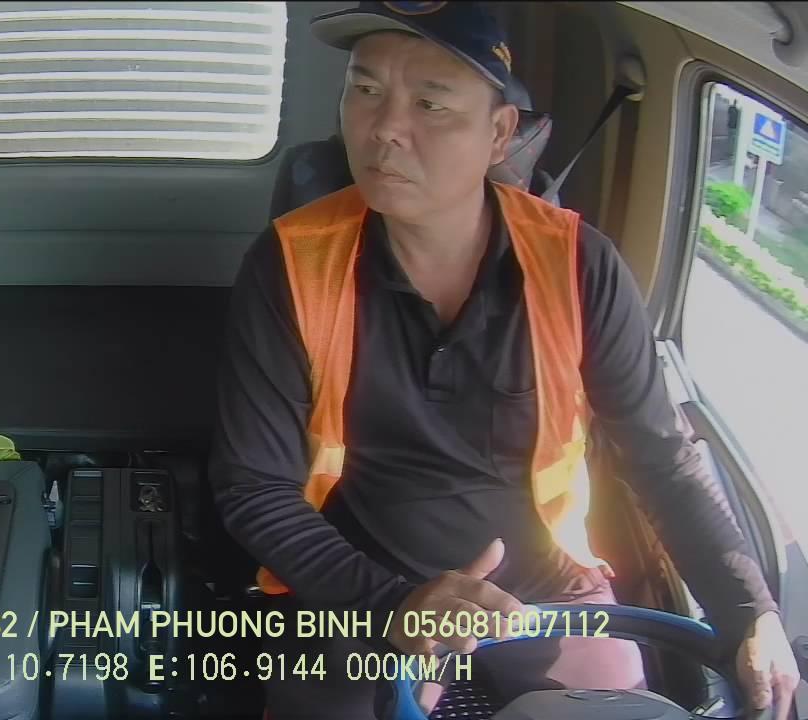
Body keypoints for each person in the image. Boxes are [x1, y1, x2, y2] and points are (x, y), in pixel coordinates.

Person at [207, 2, 801, 718]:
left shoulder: (578, 265)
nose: (384, 127)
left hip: (548, 588)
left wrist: (749, 612)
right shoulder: (291, 263)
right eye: (365, 90)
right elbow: (254, 486)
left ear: (499, 132)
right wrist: (393, 603)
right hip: (359, 587)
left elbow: (662, 458)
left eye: (430, 103)